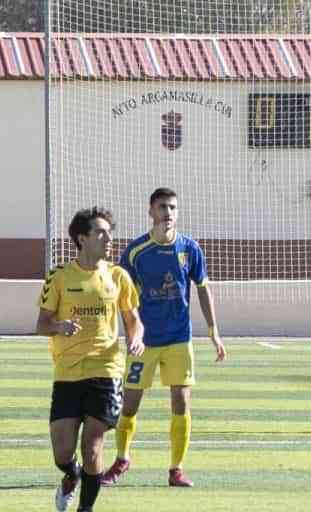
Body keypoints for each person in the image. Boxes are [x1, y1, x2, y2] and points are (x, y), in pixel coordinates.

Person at [102, 187, 227, 488]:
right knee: (129, 405)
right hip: (144, 342)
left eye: (172, 207)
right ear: (151, 211)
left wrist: (213, 332)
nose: (167, 213)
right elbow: (122, 297)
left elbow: (203, 288)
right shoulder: (136, 251)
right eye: (162, 207)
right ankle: (121, 459)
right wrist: (127, 333)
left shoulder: (189, 249)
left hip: (179, 339)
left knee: (181, 404)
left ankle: (176, 469)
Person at [36, 207, 145, 512]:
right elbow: (41, 324)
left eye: (109, 232)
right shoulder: (59, 276)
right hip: (67, 373)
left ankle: (86, 509)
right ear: (82, 238)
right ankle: (71, 475)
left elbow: (133, 320)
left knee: (93, 445)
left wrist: (136, 338)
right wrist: (59, 326)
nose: (108, 238)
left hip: (106, 370)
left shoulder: (118, 276)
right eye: (100, 232)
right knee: (62, 453)